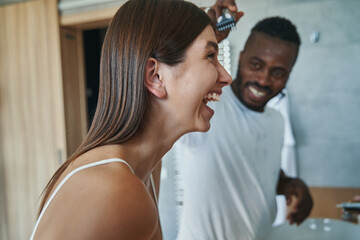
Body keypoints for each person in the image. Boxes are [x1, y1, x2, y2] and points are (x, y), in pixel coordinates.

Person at [29, 0, 240, 239]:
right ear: (155, 76)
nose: (226, 77)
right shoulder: (117, 190)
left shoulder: (142, 167)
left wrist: (199, 29)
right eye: (211, 56)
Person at [176, 16, 313, 240]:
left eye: (278, 72)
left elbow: (258, 174)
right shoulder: (207, 104)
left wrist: (289, 184)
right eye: (256, 65)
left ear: (288, 75)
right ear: (241, 58)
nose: (263, 80)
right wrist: (199, 33)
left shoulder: (276, 121)